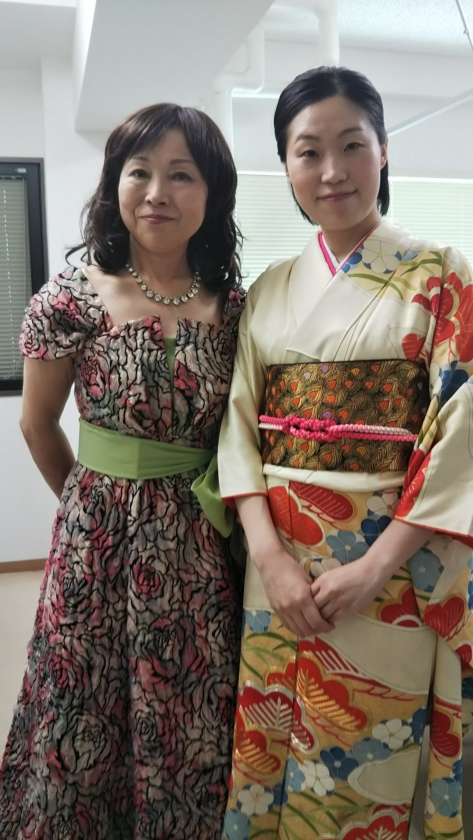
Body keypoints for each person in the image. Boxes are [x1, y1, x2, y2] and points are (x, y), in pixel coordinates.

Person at [218, 66, 473, 840]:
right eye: (307, 152)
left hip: (388, 563)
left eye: (351, 145)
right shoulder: (267, 290)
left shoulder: (441, 275)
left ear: (383, 151)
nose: (331, 171)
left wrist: (373, 567)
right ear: (285, 166)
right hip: (277, 562)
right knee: (270, 741)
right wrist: (268, 557)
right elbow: (238, 427)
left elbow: (460, 434)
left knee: (366, 749)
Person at [0, 103, 245, 840]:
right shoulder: (69, 298)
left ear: (212, 193)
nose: (157, 193)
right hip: (95, 544)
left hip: (202, 548)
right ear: (114, 184)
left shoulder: (236, 309)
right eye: (140, 172)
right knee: (85, 704)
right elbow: (37, 423)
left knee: (190, 701)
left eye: (182, 175)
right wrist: (92, 506)